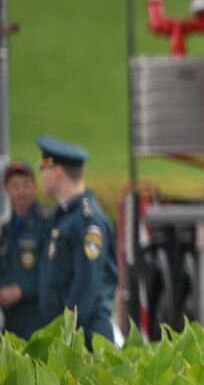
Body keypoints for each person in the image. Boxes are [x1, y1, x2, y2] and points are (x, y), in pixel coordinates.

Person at [36, 135, 118, 347]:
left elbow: (85, 287)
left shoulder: (88, 221)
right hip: (70, 335)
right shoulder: (66, 217)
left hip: (86, 339)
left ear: (58, 172)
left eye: (43, 168)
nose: (41, 175)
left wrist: (66, 335)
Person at [0, 160, 51, 339]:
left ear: (34, 187)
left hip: (38, 319)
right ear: (5, 189)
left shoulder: (46, 224)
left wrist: (22, 290)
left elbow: (52, 271)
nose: (21, 191)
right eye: (15, 186)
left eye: (26, 185)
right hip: (11, 322)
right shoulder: (6, 230)